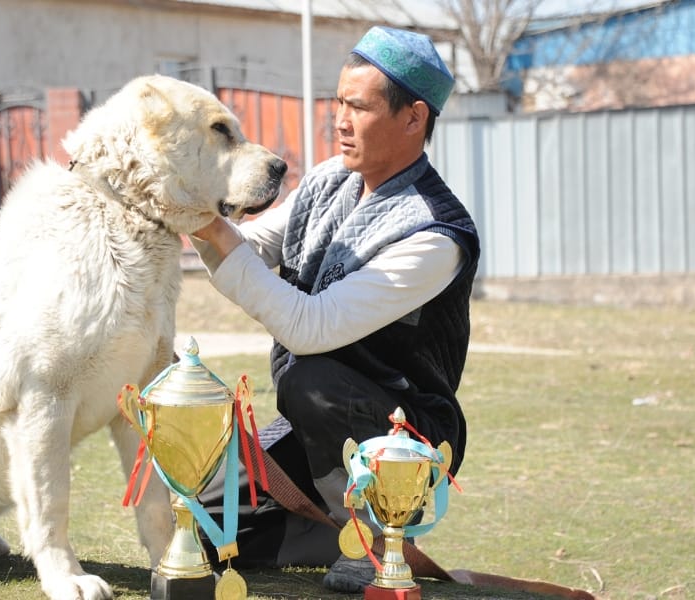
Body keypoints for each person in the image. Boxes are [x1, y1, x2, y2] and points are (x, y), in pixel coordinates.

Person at [190, 25, 480, 593]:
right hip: (319, 419)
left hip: (404, 436)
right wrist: (189, 207)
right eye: (337, 102)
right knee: (213, 525)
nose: (339, 120)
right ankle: (353, 530)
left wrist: (209, 230)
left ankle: (378, 533)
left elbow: (311, 327)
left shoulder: (435, 232)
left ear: (414, 117)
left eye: (359, 106)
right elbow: (245, 246)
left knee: (312, 378)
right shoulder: (328, 180)